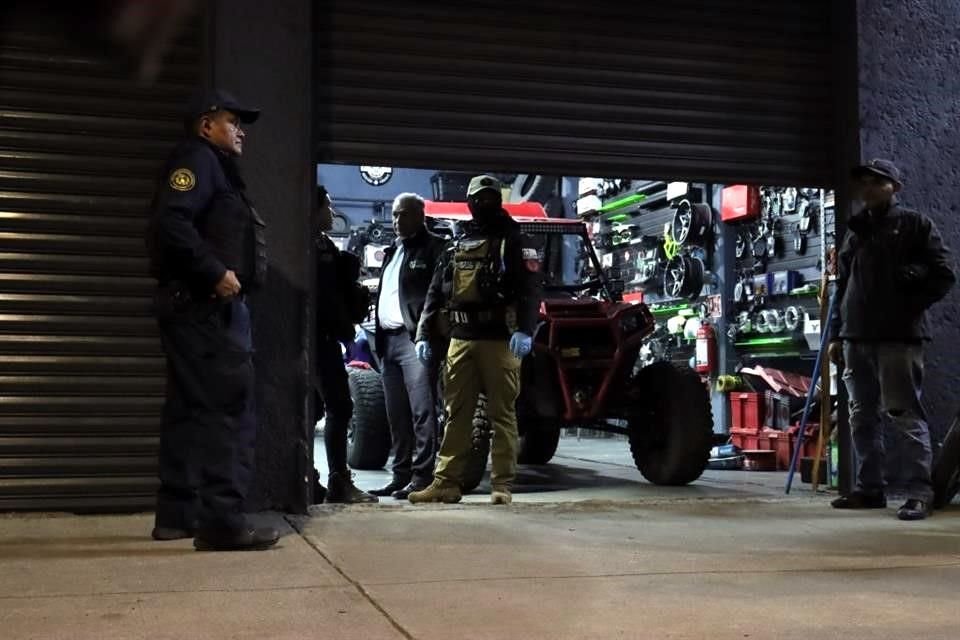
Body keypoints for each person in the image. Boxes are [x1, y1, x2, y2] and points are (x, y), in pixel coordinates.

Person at [146, 88, 277, 551]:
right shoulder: (198, 160)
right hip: (205, 307)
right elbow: (172, 223)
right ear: (206, 125)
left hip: (189, 307)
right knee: (229, 409)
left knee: (186, 410)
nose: (241, 130)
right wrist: (215, 272)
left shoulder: (210, 165)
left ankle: (176, 515)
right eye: (232, 122)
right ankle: (222, 521)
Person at [829, 158, 955, 521]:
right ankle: (870, 490)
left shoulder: (915, 225)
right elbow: (843, 286)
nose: (866, 188)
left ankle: (919, 492)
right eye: (863, 183)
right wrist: (838, 333)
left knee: (903, 413)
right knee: (860, 417)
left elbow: (943, 274)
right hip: (856, 337)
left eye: (875, 182)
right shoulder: (856, 230)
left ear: (894, 187)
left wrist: (909, 302)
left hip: (898, 338)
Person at [409, 175, 541, 506]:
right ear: (469, 202)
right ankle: (446, 483)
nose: (484, 203)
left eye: (489, 197)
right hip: (461, 339)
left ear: (498, 199)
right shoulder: (457, 242)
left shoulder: (514, 238)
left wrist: (526, 329)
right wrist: (424, 333)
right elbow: (436, 292)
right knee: (456, 414)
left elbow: (530, 288)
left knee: (502, 414)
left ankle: (502, 485)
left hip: (500, 340)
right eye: (478, 198)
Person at [369, 194, 448, 500]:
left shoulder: (435, 248)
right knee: (397, 414)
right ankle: (400, 475)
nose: (397, 221)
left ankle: (422, 476)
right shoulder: (393, 251)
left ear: (420, 215)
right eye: (394, 215)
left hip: (414, 340)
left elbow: (435, 295)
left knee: (423, 412)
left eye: (403, 214)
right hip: (387, 342)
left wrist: (425, 335)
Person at [313, 187, 378, 504]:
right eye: (327, 205)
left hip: (326, 339)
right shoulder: (304, 245)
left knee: (329, 407)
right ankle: (326, 480)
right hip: (314, 341)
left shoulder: (323, 245)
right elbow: (322, 299)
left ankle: (330, 480)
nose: (332, 211)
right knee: (335, 406)